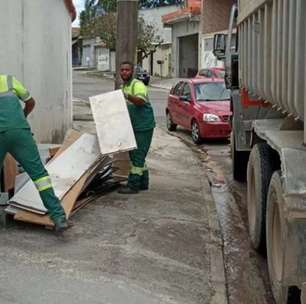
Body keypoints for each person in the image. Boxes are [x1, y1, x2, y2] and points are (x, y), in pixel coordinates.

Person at [0, 74, 68, 232]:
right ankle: (58, 217)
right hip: (20, 131)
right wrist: (20, 118)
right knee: (40, 176)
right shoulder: (8, 79)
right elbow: (30, 102)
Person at [119, 61, 155, 194]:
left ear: (132, 71)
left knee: (137, 156)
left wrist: (127, 96)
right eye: (122, 70)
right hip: (134, 126)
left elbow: (140, 101)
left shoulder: (137, 85)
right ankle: (143, 183)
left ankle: (133, 185)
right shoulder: (125, 86)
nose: (124, 72)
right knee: (137, 156)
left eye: (127, 70)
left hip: (143, 126)